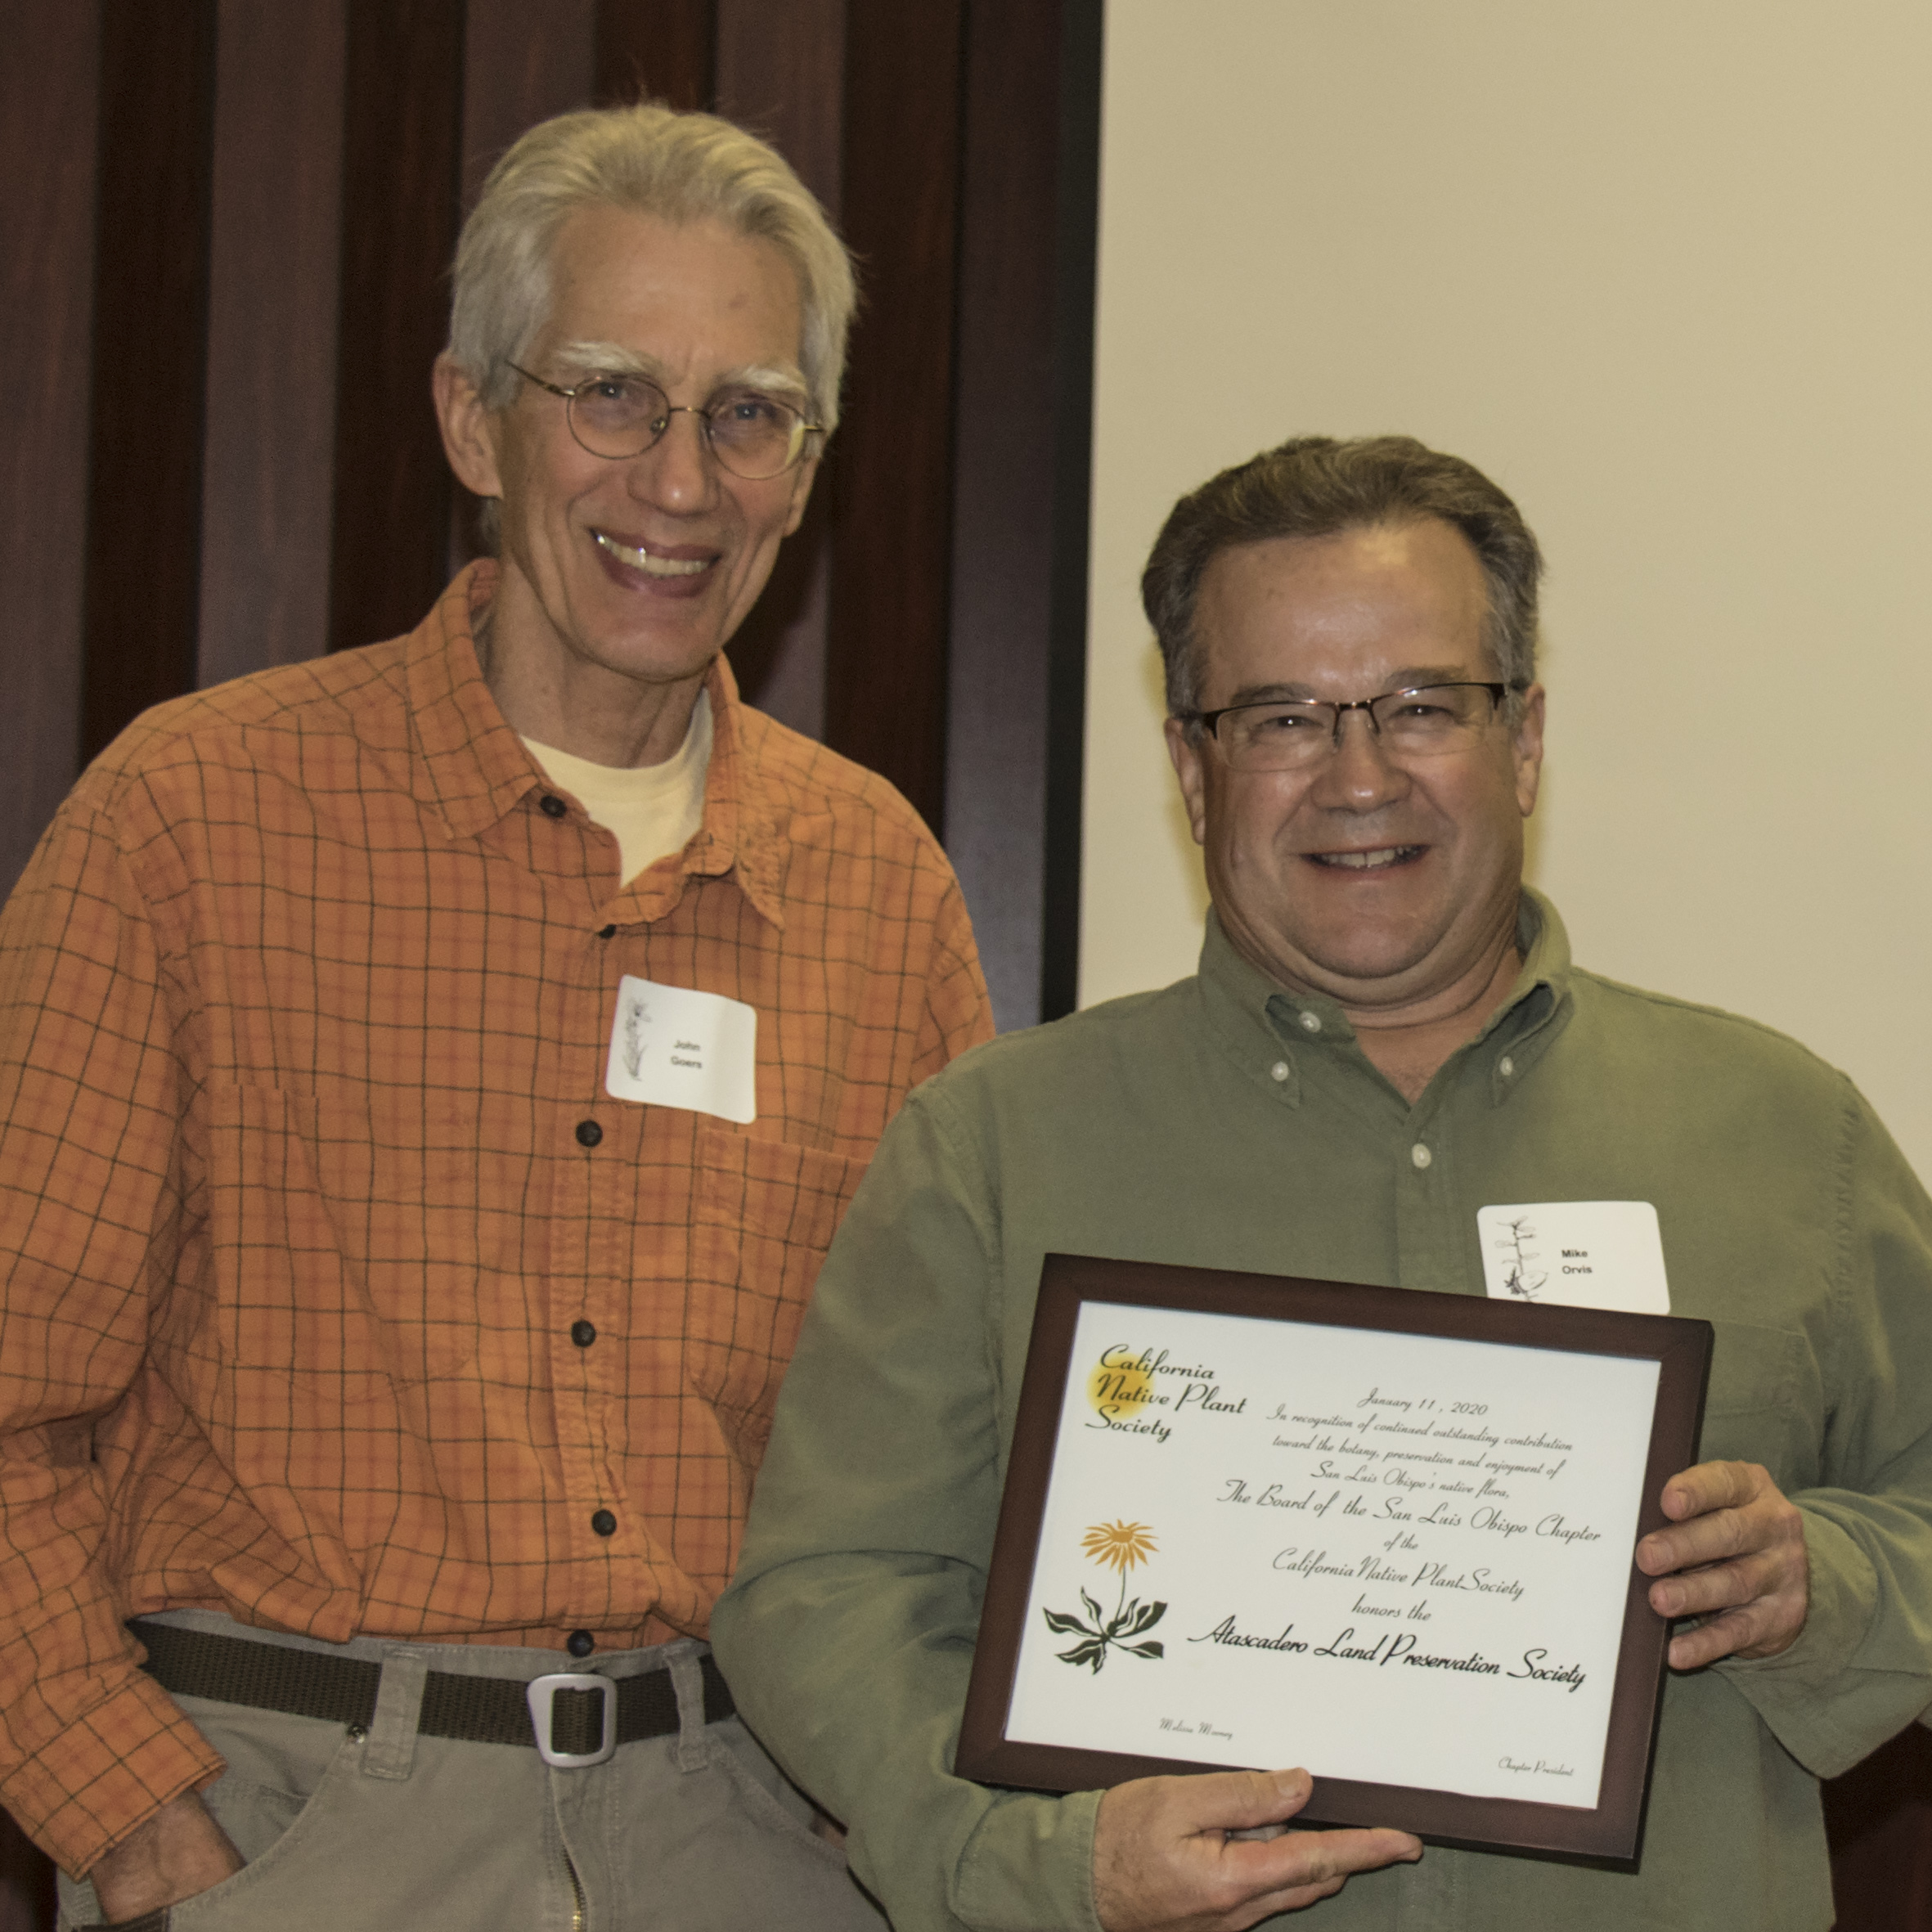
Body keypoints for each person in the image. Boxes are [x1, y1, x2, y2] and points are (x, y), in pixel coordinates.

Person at [713, 434, 1932, 1930]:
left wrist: (1825, 1583)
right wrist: (1039, 1859)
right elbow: (821, 1593)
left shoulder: (1778, 1131)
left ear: (1526, 737)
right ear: (1189, 764)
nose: (1359, 777)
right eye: (1281, 716)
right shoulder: (994, 1148)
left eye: (1421, 704)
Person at [0, 103, 991, 1930]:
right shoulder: (193, 821)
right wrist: (132, 1814)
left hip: (746, 1832)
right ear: (474, 419)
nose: (680, 481)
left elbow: (951, 1454)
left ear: (804, 464)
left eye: (747, 412)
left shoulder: (876, 884)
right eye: (611, 392)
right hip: (297, 1822)